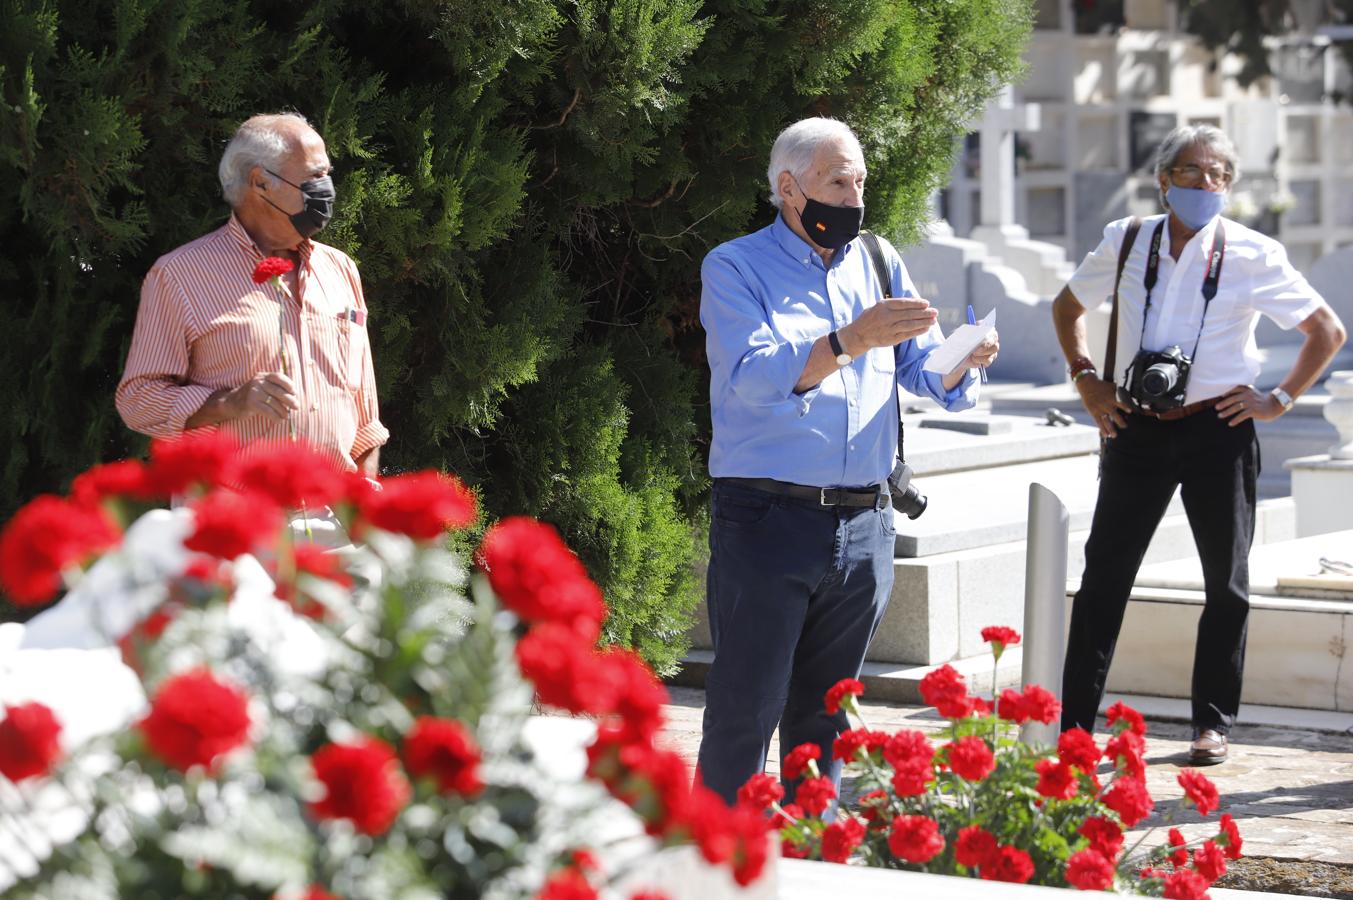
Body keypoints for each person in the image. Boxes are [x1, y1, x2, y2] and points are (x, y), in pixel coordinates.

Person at [696, 117, 999, 803]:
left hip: (865, 526)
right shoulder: (735, 265)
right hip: (768, 517)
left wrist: (963, 360)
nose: (853, 195)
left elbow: (921, 373)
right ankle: (710, 862)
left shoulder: (881, 259)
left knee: (828, 720)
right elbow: (750, 376)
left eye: (859, 180)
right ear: (788, 187)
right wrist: (846, 341)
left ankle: (806, 861)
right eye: (837, 180)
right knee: (745, 709)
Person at [1053, 124, 1346, 763]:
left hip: (1221, 428)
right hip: (1134, 425)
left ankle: (1212, 724)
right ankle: (1074, 727)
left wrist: (1281, 399)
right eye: (1193, 171)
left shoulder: (1253, 253)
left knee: (1227, 584)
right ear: (1164, 181)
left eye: (1219, 176)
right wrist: (1087, 380)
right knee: (1103, 579)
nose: (1206, 184)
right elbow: (1067, 306)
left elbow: (1326, 330)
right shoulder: (1125, 242)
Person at [116, 112, 388, 542]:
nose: (328, 188)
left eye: (328, 174)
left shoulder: (341, 270)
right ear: (262, 183)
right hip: (231, 523)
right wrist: (230, 402)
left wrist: (365, 494)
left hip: (334, 524)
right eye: (315, 175)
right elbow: (138, 400)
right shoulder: (180, 275)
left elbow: (365, 409)